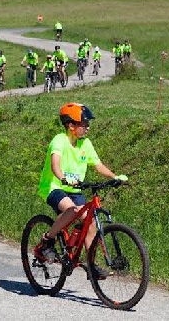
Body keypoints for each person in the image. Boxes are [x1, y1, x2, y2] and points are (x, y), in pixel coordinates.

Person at [34, 103, 127, 279]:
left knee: (90, 222)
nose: (87, 128)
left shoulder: (86, 143)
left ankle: (91, 265)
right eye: (84, 124)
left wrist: (115, 177)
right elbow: (55, 165)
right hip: (55, 187)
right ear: (71, 125)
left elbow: (98, 165)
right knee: (73, 210)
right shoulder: (59, 140)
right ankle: (47, 240)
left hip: (75, 189)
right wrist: (62, 178)